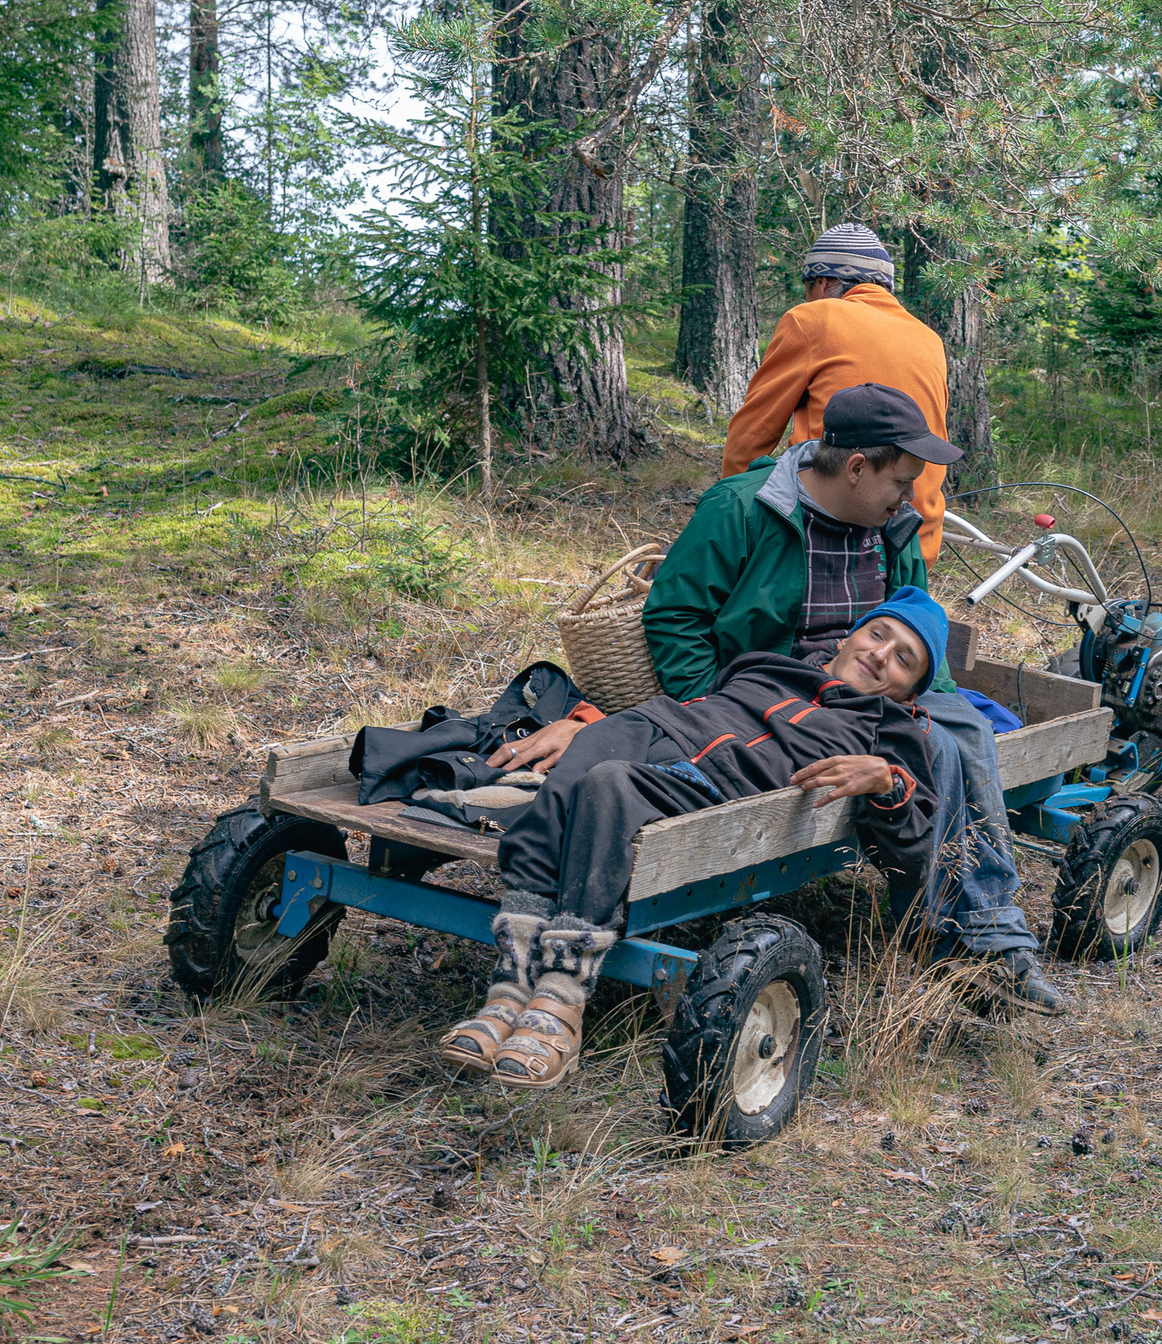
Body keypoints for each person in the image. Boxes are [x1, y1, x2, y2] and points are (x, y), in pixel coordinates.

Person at [502, 383, 1071, 1016]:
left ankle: (984, 932)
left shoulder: (893, 524)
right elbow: (675, 616)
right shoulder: (745, 509)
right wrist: (715, 707)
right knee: (937, 742)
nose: (910, 497)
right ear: (856, 468)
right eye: (900, 480)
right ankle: (944, 925)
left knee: (955, 736)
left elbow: (917, 621)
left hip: (874, 686)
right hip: (773, 685)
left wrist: (923, 699)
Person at [441, 592, 952, 1086]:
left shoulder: (891, 732)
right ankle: (510, 987)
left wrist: (889, 782)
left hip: (715, 786)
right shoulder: (771, 665)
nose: (880, 656)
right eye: (877, 635)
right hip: (657, 725)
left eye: (903, 659)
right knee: (579, 770)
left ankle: (561, 993)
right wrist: (591, 721)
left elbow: (913, 852)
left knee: (609, 783)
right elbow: (699, 701)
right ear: (849, 637)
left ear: (909, 691)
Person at [722, 223, 955, 560]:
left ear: (825, 282)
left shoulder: (812, 319)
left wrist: (730, 512)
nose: (806, 298)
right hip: (915, 543)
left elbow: (751, 434)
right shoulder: (929, 339)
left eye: (808, 287)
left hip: (825, 533)